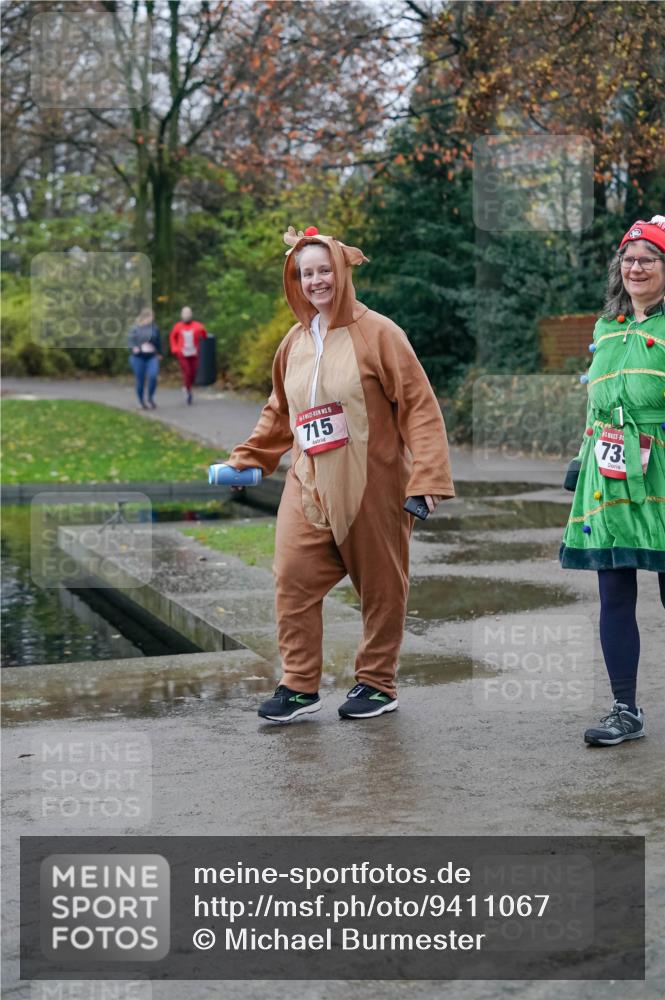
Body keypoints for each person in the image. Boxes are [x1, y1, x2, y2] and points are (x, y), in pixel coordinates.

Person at [225, 225, 455, 722]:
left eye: (324, 269)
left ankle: (376, 683)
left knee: (381, 587)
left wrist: (430, 478)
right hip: (307, 483)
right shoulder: (293, 342)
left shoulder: (381, 333)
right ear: (295, 280)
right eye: (305, 273)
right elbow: (279, 411)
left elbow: (418, 405)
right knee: (291, 578)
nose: (316, 281)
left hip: (373, 484)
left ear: (342, 271)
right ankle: (299, 684)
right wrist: (247, 458)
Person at [560, 215, 665, 746]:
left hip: (663, 475)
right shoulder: (607, 328)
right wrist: (582, 459)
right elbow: (596, 404)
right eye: (629, 258)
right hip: (609, 473)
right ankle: (625, 710)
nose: (637, 266)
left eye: (649, 258)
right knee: (614, 595)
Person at [169, 306, 208, 404]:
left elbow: (204, 335)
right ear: (181, 315)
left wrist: (203, 333)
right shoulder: (178, 326)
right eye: (184, 313)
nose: (186, 315)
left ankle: (187, 387)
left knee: (194, 373)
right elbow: (172, 337)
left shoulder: (197, 325)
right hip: (182, 353)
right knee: (187, 372)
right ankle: (187, 390)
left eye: (188, 313)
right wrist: (175, 349)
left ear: (191, 314)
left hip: (194, 353)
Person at [127, 308, 162, 409]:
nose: (152, 319)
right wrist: (134, 347)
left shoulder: (154, 328)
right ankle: (141, 400)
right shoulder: (135, 328)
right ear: (144, 317)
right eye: (150, 317)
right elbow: (130, 341)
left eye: (152, 317)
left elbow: (158, 341)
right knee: (140, 380)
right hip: (138, 357)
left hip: (151, 356)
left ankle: (150, 398)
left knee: (153, 376)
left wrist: (160, 353)